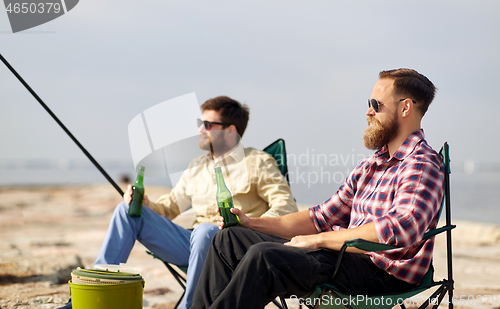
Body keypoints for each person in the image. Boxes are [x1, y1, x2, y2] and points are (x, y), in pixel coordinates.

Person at [190, 69, 445, 309]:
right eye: (368, 104)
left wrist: (318, 240)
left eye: (376, 105)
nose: (368, 112)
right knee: (228, 239)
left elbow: (401, 228)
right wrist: (251, 223)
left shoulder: (421, 163)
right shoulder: (370, 166)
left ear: (405, 107)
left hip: (382, 273)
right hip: (342, 258)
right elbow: (320, 217)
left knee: (265, 257)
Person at [58, 96, 297, 309]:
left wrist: (249, 224)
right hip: (192, 245)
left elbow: (285, 206)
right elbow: (170, 208)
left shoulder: (258, 162)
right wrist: (143, 202)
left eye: (208, 125)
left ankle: (191, 305)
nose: (201, 130)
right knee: (127, 211)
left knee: (206, 231)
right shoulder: (196, 167)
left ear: (230, 131)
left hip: (234, 248)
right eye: (199, 124)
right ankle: (90, 294)